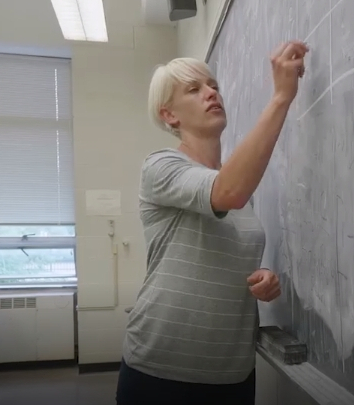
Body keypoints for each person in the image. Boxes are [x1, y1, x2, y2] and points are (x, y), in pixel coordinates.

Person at [117, 41, 305, 405]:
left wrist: (262, 275)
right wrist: (282, 96)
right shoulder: (161, 167)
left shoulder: (237, 186)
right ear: (169, 115)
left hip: (232, 372)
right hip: (161, 371)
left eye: (213, 85)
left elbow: (224, 235)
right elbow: (227, 192)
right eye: (194, 89)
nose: (211, 92)